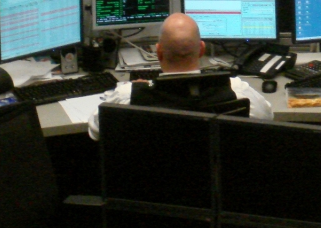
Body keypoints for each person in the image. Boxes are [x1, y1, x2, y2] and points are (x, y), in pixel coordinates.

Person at [88, 13, 272, 140]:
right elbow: (267, 118)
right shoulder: (237, 91)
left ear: (158, 52)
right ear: (201, 50)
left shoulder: (128, 97)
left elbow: (95, 131)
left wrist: (138, 88)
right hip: (216, 183)